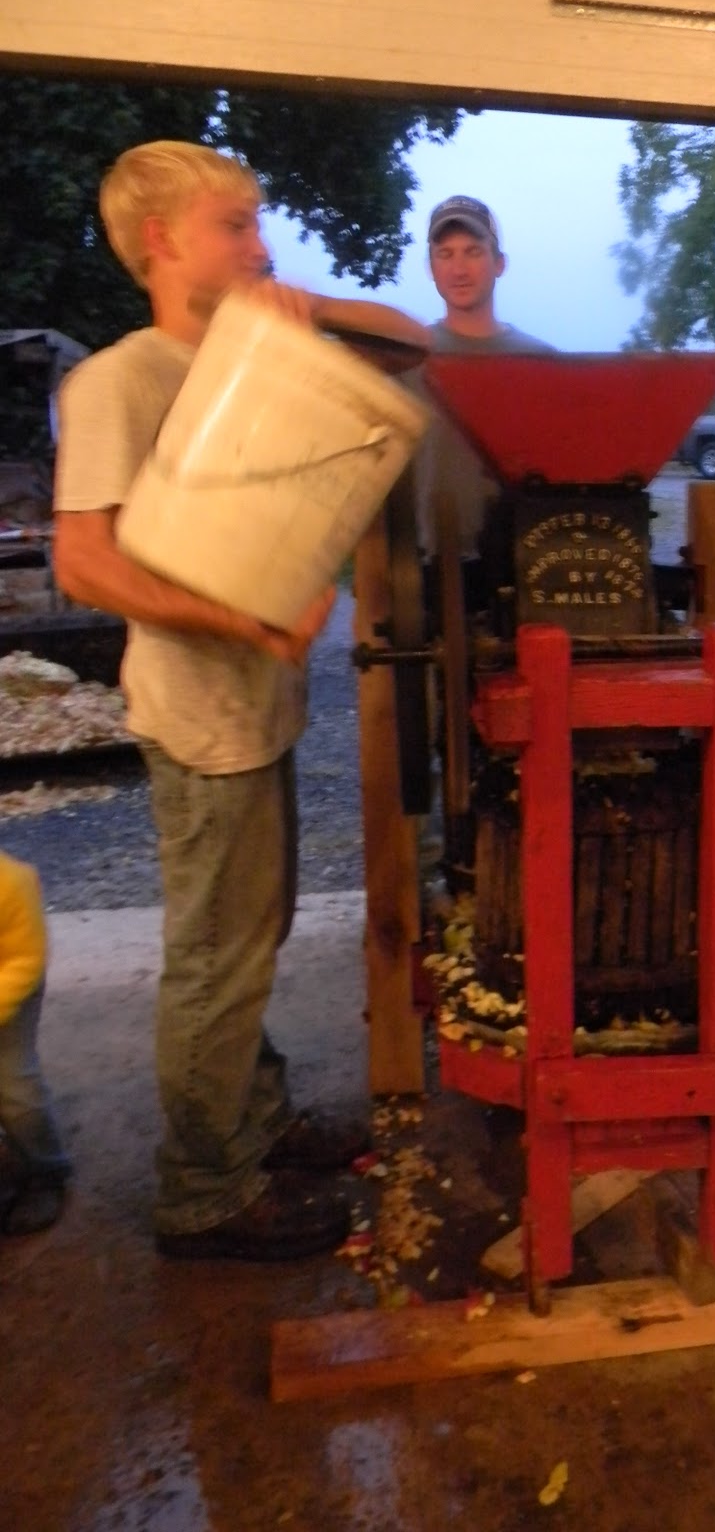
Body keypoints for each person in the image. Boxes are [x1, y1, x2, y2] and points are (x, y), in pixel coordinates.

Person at [53, 140, 430, 1262]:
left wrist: (301, 303)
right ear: (160, 240)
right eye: (234, 225)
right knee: (216, 959)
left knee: (249, 939)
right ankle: (206, 1191)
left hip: (255, 710)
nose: (259, 244)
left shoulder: (255, 354)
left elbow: (412, 344)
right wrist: (247, 625)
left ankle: (253, 1122)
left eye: (260, 222)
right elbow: (84, 563)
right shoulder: (120, 379)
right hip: (200, 716)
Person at [406, 195, 552, 587]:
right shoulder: (408, 360)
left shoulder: (543, 363)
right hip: (434, 571)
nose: (459, 269)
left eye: (473, 251)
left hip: (531, 567)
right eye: (445, 254)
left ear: (499, 263)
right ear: (430, 268)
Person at [0, 851, 71, 1235]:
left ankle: (45, 1170)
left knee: (14, 1086)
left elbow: (26, 960)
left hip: (10, 988)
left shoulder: (11, 882)